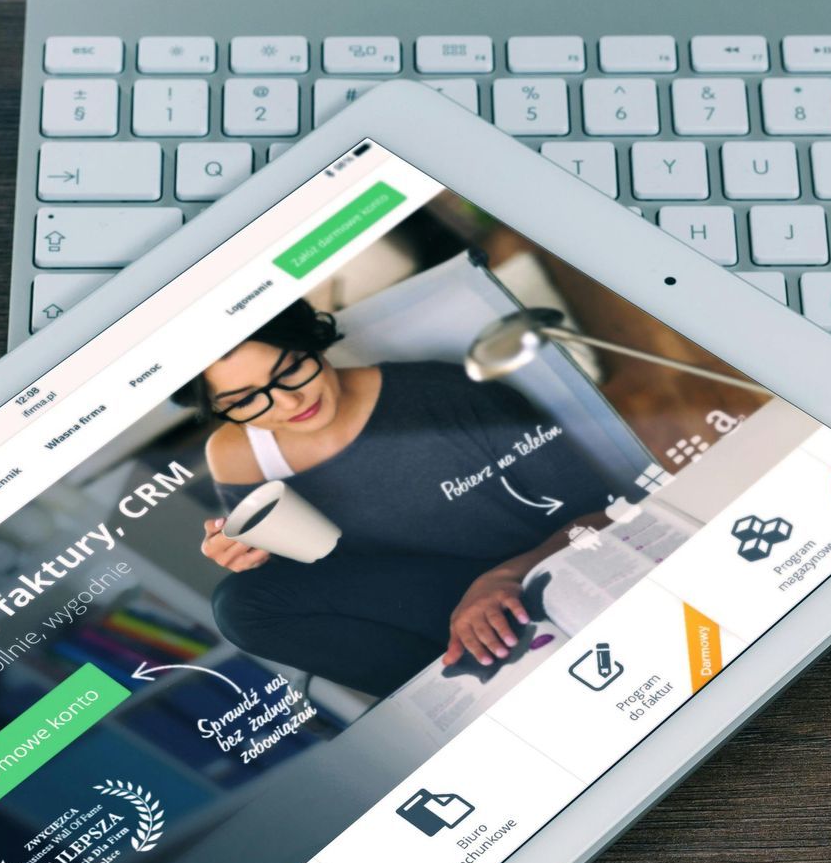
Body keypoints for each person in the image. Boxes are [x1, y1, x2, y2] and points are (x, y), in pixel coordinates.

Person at [188, 298, 618, 698]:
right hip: (426, 605)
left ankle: (497, 675)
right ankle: (466, 697)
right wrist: (251, 553)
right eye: (244, 399)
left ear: (310, 341)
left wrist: (503, 576)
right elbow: (321, 578)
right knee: (240, 605)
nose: (286, 401)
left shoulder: (446, 393)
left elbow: (603, 516)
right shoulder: (239, 451)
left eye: (290, 370)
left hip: (531, 575)